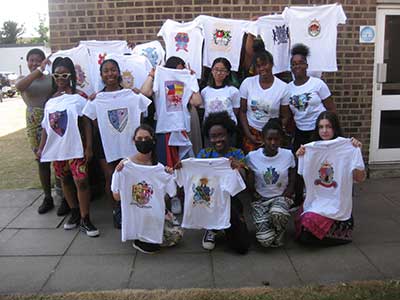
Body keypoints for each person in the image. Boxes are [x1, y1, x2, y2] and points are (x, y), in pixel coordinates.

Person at [83, 59, 151, 229]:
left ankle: (132, 207)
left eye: (113, 70)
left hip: (128, 141)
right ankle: (117, 210)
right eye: (105, 71)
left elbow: (143, 111)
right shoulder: (97, 98)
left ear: (119, 72)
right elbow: (88, 117)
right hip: (106, 143)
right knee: (111, 176)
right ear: (101, 75)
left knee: (131, 174)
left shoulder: (131, 94)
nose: (110, 74)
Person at [36, 57, 99, 237]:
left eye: (64, 74)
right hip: (57, 149)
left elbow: (87, 122)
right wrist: (41, 149)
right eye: (57, 75)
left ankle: (86, 219)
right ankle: (74, 212)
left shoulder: (78, 97)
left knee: (81, 181)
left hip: (76, 147)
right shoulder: (50, 101)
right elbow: (46, 128)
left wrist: (89, 147)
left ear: (71, 74)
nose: (60, 78)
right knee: (64, 180)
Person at [295, 111, 366, 245]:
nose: (324, 131)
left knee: (306, 234)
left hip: (338, 205)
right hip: (318, 201)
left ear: (335, 128)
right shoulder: (310, 149)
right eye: (321, 127)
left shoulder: (348, 147)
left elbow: (360, 178)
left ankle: (340, 231)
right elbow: (301, 174)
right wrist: (301, 156)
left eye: (328, 126)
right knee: (301, 223)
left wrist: (357, 152)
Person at [112, 124, 183, 254]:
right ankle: (138, 234)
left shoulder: (159, 167)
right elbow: (116, 196)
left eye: (146, 138)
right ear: (134, 141)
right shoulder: (125, 166)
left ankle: (151, 231)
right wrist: (120, 175)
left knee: (176, 235)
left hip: (151, 213)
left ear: (153, 140)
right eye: (139, 138)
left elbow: (172, 193)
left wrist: (169, 175)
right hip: (132, 213)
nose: (143, 142)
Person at [15, 49, 69, 215]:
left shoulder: (50, 80)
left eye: (38, 60)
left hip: (53, 119)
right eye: (31, 60)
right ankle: (47, 197)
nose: (34, 63)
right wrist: (39, 69)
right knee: (42, 161)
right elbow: (20, 87)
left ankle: (65, 198)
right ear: (27, 62)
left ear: (44, 61)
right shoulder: (22, 79)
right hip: (34, 122)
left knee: (59, 159)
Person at [193, 111, 250, 254]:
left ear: (229, 134)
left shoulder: (237, 154)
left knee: (242, 246)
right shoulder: (204, 155)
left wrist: (238, 167)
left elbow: (243, 181)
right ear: (208, 138)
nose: (218, 139)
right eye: (213, 136)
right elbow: (195, 176)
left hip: (231, 200)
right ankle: (211, 227)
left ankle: (227, 225)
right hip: (209, 199)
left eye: (221, 135)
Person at [288, 44, 336, 207]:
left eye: (300, 62)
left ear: (307, 65)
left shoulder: (318, 84)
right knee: (300, 165)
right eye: (294, 64)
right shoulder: (288, 89)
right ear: (291, 68)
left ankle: (322, 196)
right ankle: (299, 199)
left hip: (319, 132)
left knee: (320, 165)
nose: (297, 66)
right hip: (301, 132)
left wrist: (332, 131)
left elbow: (331, 109)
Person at [246, 118, 296, 247]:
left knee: (278, 213)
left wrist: (289, 191)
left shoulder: (288, 155)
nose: (273, 142)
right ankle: (269, 224)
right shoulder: (252, 157)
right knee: (265, 241)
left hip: (280, 197)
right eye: (269, 139)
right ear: (263, 138)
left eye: (276, 139)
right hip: (261, 199)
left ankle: (279, 229)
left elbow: (293, 173)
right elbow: (249, 180)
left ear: (281, 140)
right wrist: (252, 194)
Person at [239, 47, 290, 154]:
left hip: (272, 135)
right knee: (251, 164)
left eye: (264, 64)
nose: (262, 68)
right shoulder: (247, 83)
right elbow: (242, 111)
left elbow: (285, 116)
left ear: (271, 64)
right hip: (252, 132)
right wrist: (248, 134)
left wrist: (276, 132)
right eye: (258, 66)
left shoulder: (283, 87)